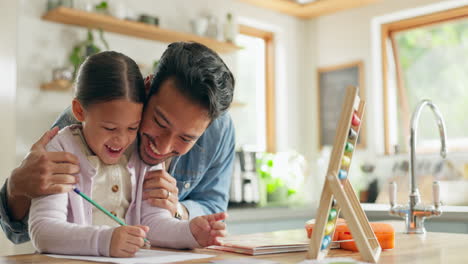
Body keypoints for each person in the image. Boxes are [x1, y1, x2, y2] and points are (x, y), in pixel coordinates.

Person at [0, 42, 236, 245]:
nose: (163, 149)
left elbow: (213, 207)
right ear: (146, 88)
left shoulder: (219, 129)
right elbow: (24, 234)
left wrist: (179, 212)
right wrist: (17, 187)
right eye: (159, 122)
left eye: (186, 138)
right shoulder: (82, 126)